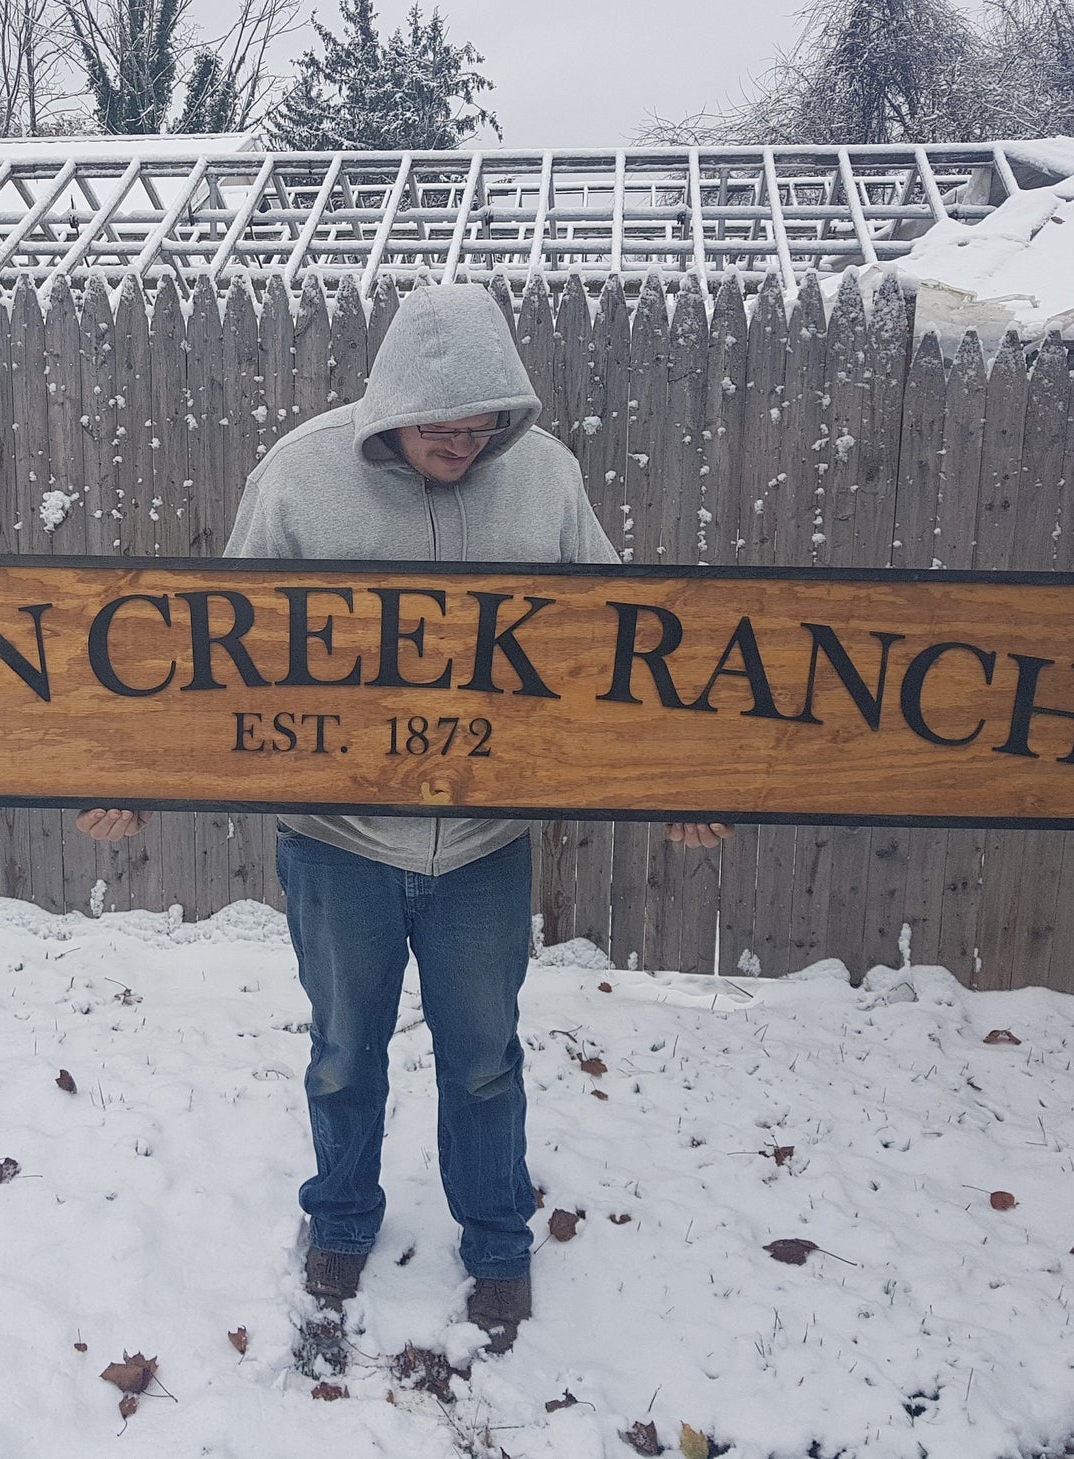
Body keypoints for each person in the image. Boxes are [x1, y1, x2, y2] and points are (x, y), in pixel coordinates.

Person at [76, 284, 730, 1354]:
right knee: (343, 1049)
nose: (461, 445)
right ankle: (338, 1218)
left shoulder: (547, 476)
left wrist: (674, 779)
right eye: (440, 425)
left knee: (484, 1056)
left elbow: (623, 643)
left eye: (480, 426)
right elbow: (212, 653)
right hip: (336, 838)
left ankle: (497, 1242)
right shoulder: (295, 475)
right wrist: (138, 768)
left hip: (482, 839)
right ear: (389, 407)